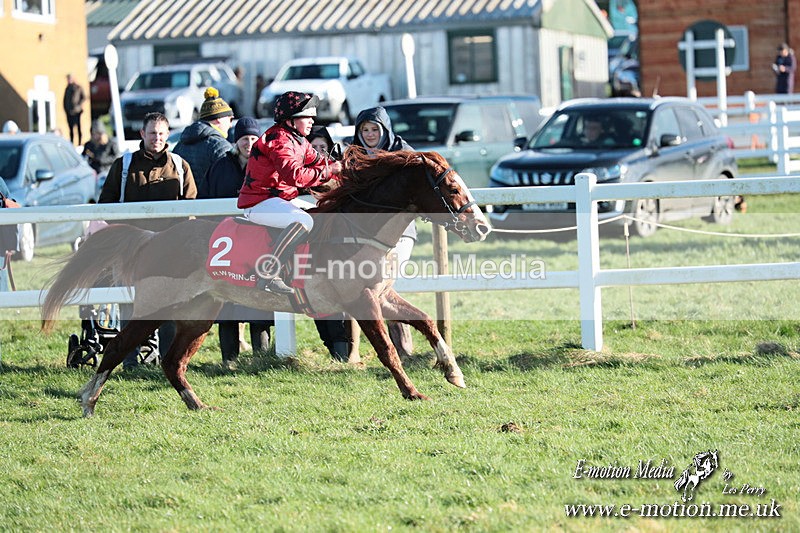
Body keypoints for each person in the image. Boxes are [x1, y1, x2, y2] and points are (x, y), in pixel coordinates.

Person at [99, 111, 197, 369]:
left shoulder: (179, 165)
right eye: (152, 133)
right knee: (129, 303)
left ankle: (167, 360)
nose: (157, 138)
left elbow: (191, 208)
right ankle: (129, 361)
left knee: (168, 304)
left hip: (169, 251)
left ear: (167, 135)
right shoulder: (123, 165)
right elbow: (105, 206)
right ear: (142, 134)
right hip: (131, 250)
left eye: (162, 133)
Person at [237, 91, 342, 295]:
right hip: (258, 204)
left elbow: (319, 162)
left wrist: (346, 170)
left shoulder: (299, 140)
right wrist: (331, 170)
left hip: (278, 200)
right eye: (307, 116)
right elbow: (295, 176)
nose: (313, 121)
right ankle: (268, 273)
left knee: (321, 213)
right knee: (304, 221)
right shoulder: (279, 140)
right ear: (291, 119)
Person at [201, 116, 274, 368]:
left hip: (258, 243)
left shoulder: (268, 165)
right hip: (227, 243)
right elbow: (205, 201)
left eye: (254, 138)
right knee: (227, 299)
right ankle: (228, 360)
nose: (249, 143)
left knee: (259, 295)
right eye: (244, 138)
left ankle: (261, 358)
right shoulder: (221, 167)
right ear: (236, 141)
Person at [351, 106, 416, 358]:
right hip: (364, 231)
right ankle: (360, 351)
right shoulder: (354, 154)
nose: (369, 134)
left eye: (374, 129)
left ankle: (402, 347)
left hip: (400, 231)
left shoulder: (404, 153)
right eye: (364, 130)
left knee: (382, 285)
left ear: (385, 129)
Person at [306, 125, 351, 362]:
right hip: (308, 247)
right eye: (314, 147)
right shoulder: (300, 174)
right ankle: (335, 352)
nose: (319, 152)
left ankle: (343, 352)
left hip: (337, 246)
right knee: (317, 297)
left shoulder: (340, 174)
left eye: (323, 147)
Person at [173, 87, 234, 194]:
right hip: (212, 207)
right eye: (230, 119)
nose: (230, 125)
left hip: (184, 206)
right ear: (219, 118)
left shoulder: (180, 145)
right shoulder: (222, 147)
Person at [63, 73, 86, 145]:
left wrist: (78, 106)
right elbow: (65, 100)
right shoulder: (67, 89)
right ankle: (71, 143)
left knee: (78, 128)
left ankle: (79, 143)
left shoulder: (78, 88)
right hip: (69, 112)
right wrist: (66, 109)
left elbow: (84, 97)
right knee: (71, 129)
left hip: (77, 112)